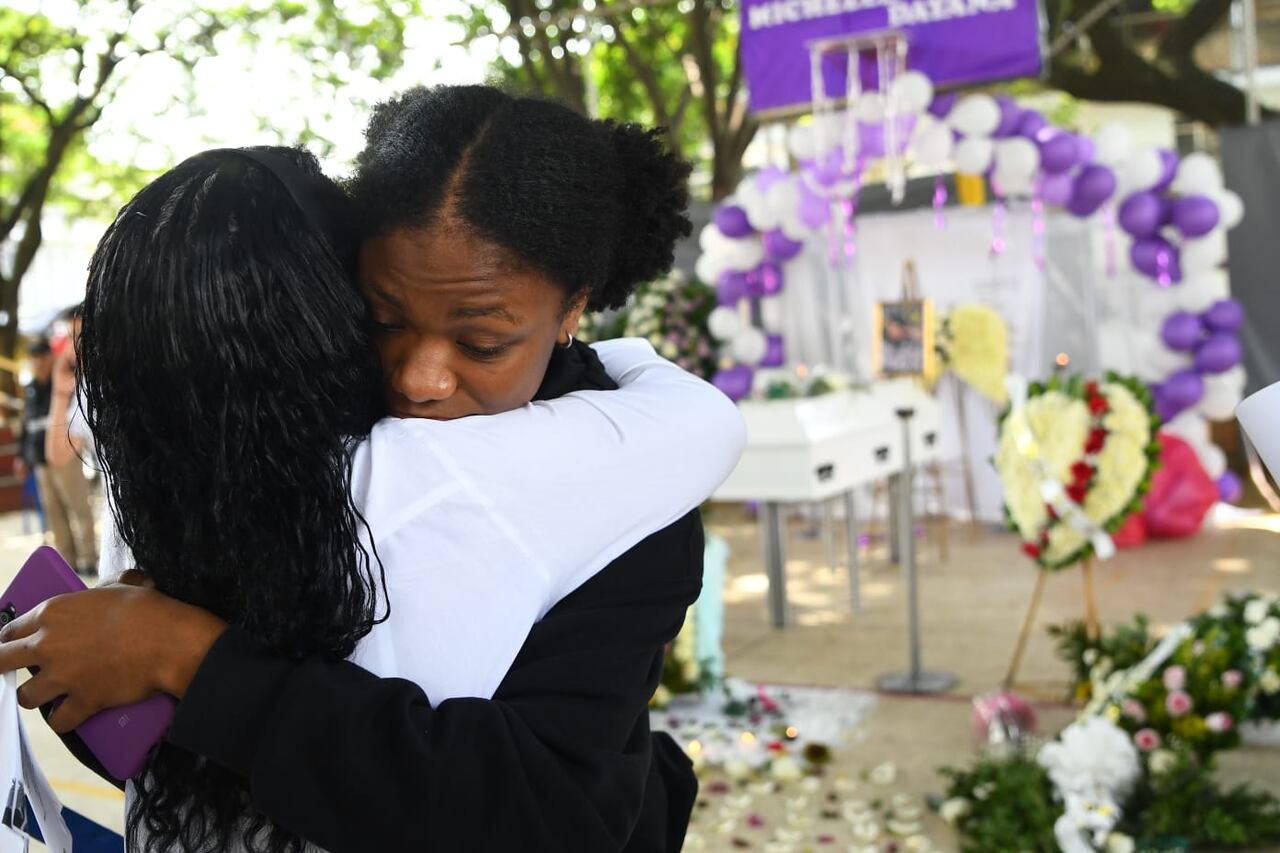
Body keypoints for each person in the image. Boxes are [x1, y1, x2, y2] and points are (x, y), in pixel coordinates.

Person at [0, 106, 739, 853]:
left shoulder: (629, 489)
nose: (420, 378)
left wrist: (194, 659)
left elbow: (545, 811)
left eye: (482, 342)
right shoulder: (302, 413)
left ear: (573, 305)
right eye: (383, 319)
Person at [17, 334, 97, 576]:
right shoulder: (30, 388)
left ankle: (89, 560)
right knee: (55, 515)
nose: (38, 362)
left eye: (41, 356)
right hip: (40, 462)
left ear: (50, 357)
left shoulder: (62, 384)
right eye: (34, 358)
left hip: (66, 459)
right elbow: (26, 425)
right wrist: (23, 456)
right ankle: (68, 563)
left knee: (79, 510)